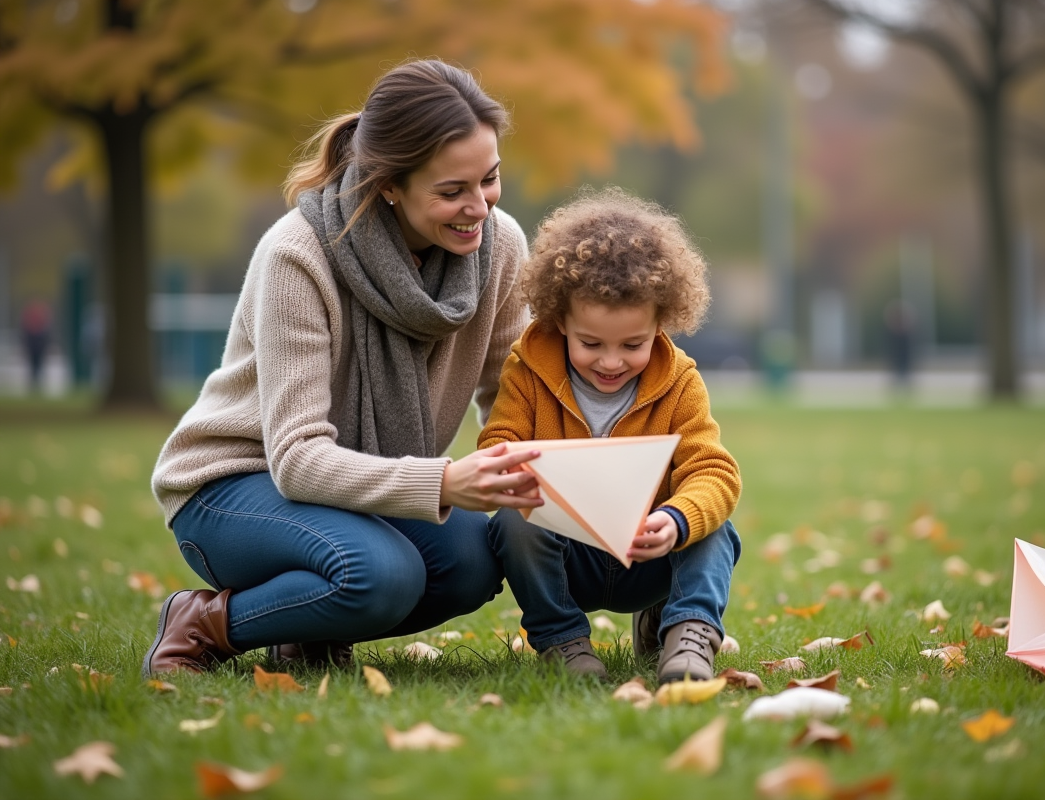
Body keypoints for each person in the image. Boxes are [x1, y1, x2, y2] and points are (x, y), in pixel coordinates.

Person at [144, 59, 545, 677]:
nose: (479, 208)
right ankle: (205, 623)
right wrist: (442, 484)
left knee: (475, 560)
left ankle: (306, 628)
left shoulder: (500, 246)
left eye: (489, 179)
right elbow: (298, 459)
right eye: (451, 192)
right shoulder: (297, 257)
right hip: (234, 485)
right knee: (382, 575)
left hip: (360, 489)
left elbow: (514, 395)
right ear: (389, 184)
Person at [480, 187, 742, 684]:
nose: (611, 361)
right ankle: (563, 643)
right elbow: (496, 445)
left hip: (649, 553)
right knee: (512, 522)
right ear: (559, 321)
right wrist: (528, 476)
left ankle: (686, 632)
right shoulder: (527, 370)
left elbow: (714, 470)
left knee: (714, 528)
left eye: (633, 344)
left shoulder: (679, 381)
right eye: (591, 343)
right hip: (565, 555)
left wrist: (675, 520)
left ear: (662, 323)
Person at [20, 299, 52, 394]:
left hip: (38, 347)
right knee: (33, 366)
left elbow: (46, 336)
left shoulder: (41, 322)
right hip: (33, 347)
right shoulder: (31, 322)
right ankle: (34, 385)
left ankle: (37, 385)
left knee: (38, 366)